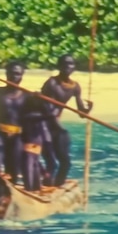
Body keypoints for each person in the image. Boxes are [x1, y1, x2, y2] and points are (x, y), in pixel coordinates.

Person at [40, 53, 93, 187]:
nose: (68, 67)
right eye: (65, 64)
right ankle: (44, 184)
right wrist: (59, 127)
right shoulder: (51, 83)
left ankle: (57, 186)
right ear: (59, 66)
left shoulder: (75, 87)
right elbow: (46, 109)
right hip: (43, 124)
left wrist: (88, 109)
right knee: (50, 162)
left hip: (56, 125)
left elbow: (81, 113)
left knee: (65, 162)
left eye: (71, 64)